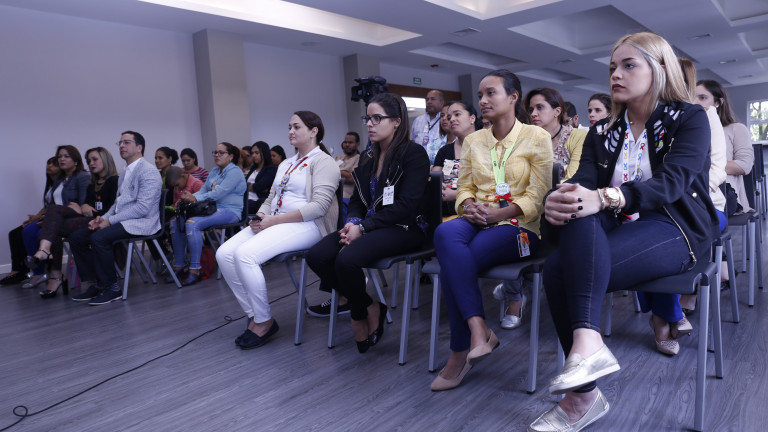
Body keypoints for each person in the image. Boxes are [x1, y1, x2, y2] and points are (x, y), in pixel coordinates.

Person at [529, 33, 718, 432]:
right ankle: (588, 350)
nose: (616, 74)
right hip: (615, 226)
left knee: (562, 269)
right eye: (613, 67)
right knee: (573, 215)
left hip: (673, 226)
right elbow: (582, 182)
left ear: (660, 69)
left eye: (629, 65)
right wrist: (555, 199)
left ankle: (582, 394)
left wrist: (607, 196)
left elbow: (673, 183)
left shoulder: (688, 117)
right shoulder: (603, 130)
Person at [429, 70, 552, 391]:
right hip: (478, 218)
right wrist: (469, 205)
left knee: (458, 259)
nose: (483, 100)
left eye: (490, 93)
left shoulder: (536, 137)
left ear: (513, 97)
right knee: (444, 234)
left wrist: (500, 212)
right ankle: (478, 329)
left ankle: (459, 353)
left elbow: (538, 194)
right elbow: (464, 187)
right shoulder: (474, 141)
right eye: (480, 95)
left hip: (520, 226)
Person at [306, 93, 430, 354]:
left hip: (405, 228)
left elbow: (407, 205)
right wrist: (353, 223)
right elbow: (358, 200)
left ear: (396, 121)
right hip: (371, 226)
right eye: (368, 118)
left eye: (377, 118)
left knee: (346, 259)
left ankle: (358, 314)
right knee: (317, 256)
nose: (370, 124)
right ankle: (369, 305)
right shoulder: (368, 156)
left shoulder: (413, 153)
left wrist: (363, 228)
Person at [216, 111, 339, 349]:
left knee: (245, 255)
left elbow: (319, 207)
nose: (291, 131)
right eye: (289, 127)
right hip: (278, 221)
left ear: (313, 131)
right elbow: (271, 197)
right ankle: (255, 314)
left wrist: (274, 221)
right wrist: (261, 216)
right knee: (224, 254)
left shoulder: (324, 162)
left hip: (309, 225)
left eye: (297, 127)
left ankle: (264, 321)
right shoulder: (286, 163)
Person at [69, 131, 162, 305]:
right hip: (124, 220)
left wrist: (109, 221)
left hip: (142, 222)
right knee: (77, 237)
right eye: (120, 143)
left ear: (139, 147)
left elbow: (142, 208)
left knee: (98, 238)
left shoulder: (148, 171)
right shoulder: (125, 172)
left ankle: (112, 288)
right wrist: (101, 218)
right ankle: (98, 283)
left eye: (126, 142)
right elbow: (117, 204)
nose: (121, 146)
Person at [31, 147, 120, 298]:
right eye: (89, 161)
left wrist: (86, 209)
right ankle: (54, 266)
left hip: (104, 221)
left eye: (95, 159)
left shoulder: (114, 181)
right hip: (89, 219)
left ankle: (48, 257)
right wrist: (84, 207)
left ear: (105, 159)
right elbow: (85, 205)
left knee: (56, 226)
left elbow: (113, 209)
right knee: (53, 216)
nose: (91, 163)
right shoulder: (93, 183)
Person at [169, 142, 246, 286]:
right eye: (215, 152)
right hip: (213, 209)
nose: (216, 155)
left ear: (230, 156)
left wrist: (195, 198)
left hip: (230, 211)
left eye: (221, 153)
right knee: (176, 221)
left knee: (192, 224)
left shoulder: (234, 172)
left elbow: (219, 193)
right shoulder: (215, 171)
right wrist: (190, 196)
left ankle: (195, 269)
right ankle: (179, 266)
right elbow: (204, 190)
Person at [24, 146, 91, 283]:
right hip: (56, 216)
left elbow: (84, 204)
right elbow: (51, 204)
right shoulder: (60, 179)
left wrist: (52, 217)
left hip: (75, 217)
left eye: (66, 156)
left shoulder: (82, 176)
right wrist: (46, 218)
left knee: (45, 232)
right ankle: (38, 271)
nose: (62, 159)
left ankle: (55, 273)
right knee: (28, 231)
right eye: (60, 156)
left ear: (76, 160)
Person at [695, 79, 754, 214]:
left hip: (726, 195)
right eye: (692, 97)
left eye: (702, 98)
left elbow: (744, 165)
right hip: (696, 191)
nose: (695, 102)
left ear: (718, 103)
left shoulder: (736, 129)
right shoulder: (689, 131)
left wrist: (703, 166)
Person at [0, 157, 60, 287]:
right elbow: (47, 206)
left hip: (54, 220)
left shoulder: (62, 185)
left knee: (29, 232)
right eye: (48, 163)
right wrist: (35, 217)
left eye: (54, 164)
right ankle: (19, 270)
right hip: (46, 217)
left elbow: (57, 207)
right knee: (14, 233)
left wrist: (39, 218)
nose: (49, 166)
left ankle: (38, 270)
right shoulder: (51, 186)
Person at [431, 100, 482, 217]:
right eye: (449, 117)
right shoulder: (444, 151)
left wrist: (455, 194)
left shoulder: (487, 147)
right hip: (445, 209)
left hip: (477, 208)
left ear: (472, 118)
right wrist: (439, 187)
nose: (451, 119)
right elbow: (434, 179)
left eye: (457, 114)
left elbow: (490, 185)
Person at [526, 88, 587, 182]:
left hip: (567, 190)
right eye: (531, 110)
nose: (533, 114)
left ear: (557, 111)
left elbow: (573, 178)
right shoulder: (530, 141)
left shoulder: (577, 136)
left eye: (540, 107)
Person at [244, 141, 278, 214]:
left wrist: (252, 187)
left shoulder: (271, 169)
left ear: (264, 153)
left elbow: (260, 186)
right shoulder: (253, 168)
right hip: (246, 199)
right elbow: (243, 184)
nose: (253, 155)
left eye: (256, 153)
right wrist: (253, 187)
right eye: (252, 153)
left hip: (257, 202)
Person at [411, 90, 445, 159]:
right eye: (427, 99)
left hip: (438, 161)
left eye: (433, 99)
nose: (429, 102)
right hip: (417, 159)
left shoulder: (445, 120)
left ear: (442, 102)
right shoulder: (418, 120)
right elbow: (411, 140)